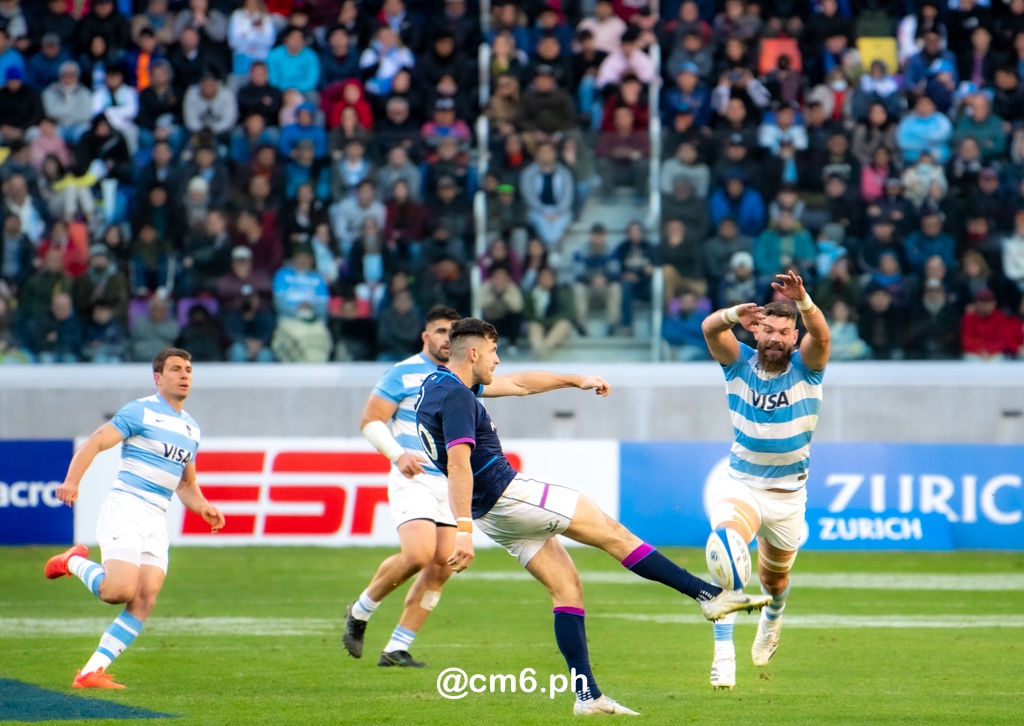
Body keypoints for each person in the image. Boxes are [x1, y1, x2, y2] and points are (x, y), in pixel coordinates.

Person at [416, 318, 770, 716]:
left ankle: (588, 697)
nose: (499, 360)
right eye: (495, 352)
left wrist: (576, 380)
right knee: (611, 532)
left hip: (492, 515)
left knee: (567, 589)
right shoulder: (460, 398)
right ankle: (707, 595)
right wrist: (461, 530)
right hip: (508, 494)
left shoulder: (436, 386)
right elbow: (460, 464)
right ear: (475, 352)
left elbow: (519, 384)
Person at [42, 348, 225, 689]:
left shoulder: (191, 428)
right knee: (117, 591)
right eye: (176, 369)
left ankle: (89, 672)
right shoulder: (140, 411)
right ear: (158, 378)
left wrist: (203, 506)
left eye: (188, 369)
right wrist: (72, 480)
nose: (185, 375)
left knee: (144, 599)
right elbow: (96, 442)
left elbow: (186, 484)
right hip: (126, 507)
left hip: (157, 518)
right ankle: (73, 562)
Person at [699, 271, 832, 691]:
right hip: (742, 484)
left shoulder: (807, 369)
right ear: (755, 331)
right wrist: (734, 313)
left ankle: (772, 621)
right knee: (727, 546)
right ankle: (723, 652)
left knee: (774, 582)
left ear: (795, 338)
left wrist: (805, 301)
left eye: (784, 332)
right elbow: (709, 328)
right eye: (768, 329)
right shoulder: (737, 362)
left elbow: (823, 337)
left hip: (789, 494)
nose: (775, 338)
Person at [343, 307, 463, 667]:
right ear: (426, 337)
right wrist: (397, 455)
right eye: (440, 331)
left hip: (451, 483)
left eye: (453, 333)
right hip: (415, 477)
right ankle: (361, 610)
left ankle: (397, 647)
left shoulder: (464, 377)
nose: (446, 339)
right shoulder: (403, 372)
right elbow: (371, 421)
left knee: (443, 566)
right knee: (418, 554)